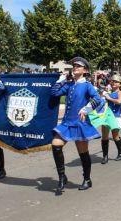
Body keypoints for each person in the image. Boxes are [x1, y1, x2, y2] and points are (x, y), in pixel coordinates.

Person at [50, 57, 101, 195]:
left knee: (83, 153)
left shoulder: (87, 85)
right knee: (55, 145)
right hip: (66, 123)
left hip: (80, 123)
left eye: (78, 66)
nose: (75, 68)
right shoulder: (69, 85)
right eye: (74, 66)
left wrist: (86, 109)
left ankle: (87, 179)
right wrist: (61, 80)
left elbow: (98, 99)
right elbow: (54, 93)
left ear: (84, 70)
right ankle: (62, 177)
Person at [100, 74, 121, 164]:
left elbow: (119, 102)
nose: (113, 83)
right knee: (104, 137)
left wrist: (109, 98)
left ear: (120, 84)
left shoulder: (120, 93)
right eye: (112, 81)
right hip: (106, 116)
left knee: (115, 136)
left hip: (115, 117)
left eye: (116, 81)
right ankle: (105, 156)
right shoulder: (109, 92)